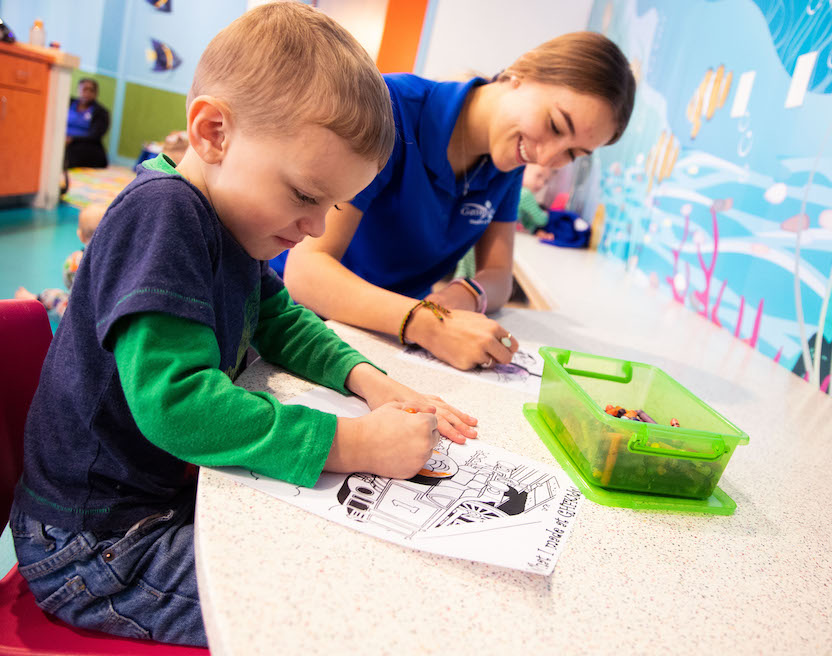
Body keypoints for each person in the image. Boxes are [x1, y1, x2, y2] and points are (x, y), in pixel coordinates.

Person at [10, 3, 476, 647]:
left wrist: (372, 381)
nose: (315, 228)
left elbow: (280, 319)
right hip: (98, 549)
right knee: (339, 616)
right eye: (306, 196)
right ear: (212, 133)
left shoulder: (236, 224)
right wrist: (355, 445)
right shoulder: (165, 216)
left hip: (158, 507)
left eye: (332, 205)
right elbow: (179, 406)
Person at [282, 32, 635, 371]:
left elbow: (498, 274)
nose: (546, 158)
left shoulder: (507, 161)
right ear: (521, 73)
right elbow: (306, 271)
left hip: (388, 337)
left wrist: (466, 293)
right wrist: (428, 324)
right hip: (296, 323)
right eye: (556, 125)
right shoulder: (391, 107)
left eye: (573, 153)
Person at [14, 203, 103, 319]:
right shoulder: (114, 258)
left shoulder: (76, 260)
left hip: (82, 315)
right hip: (108, 312)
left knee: (54, 295)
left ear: (80, 235)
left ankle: (36, 300)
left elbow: (69, 284)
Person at [65, 78, 110, 168]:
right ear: (78, 90)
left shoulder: (101, 112)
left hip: (84, 144)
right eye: (85, 89)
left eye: (91, 90)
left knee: (73, 151)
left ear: (96, 93)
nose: (87, 93)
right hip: (62, 139)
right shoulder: (67, 103)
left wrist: (72, 139)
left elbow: (95, 136)